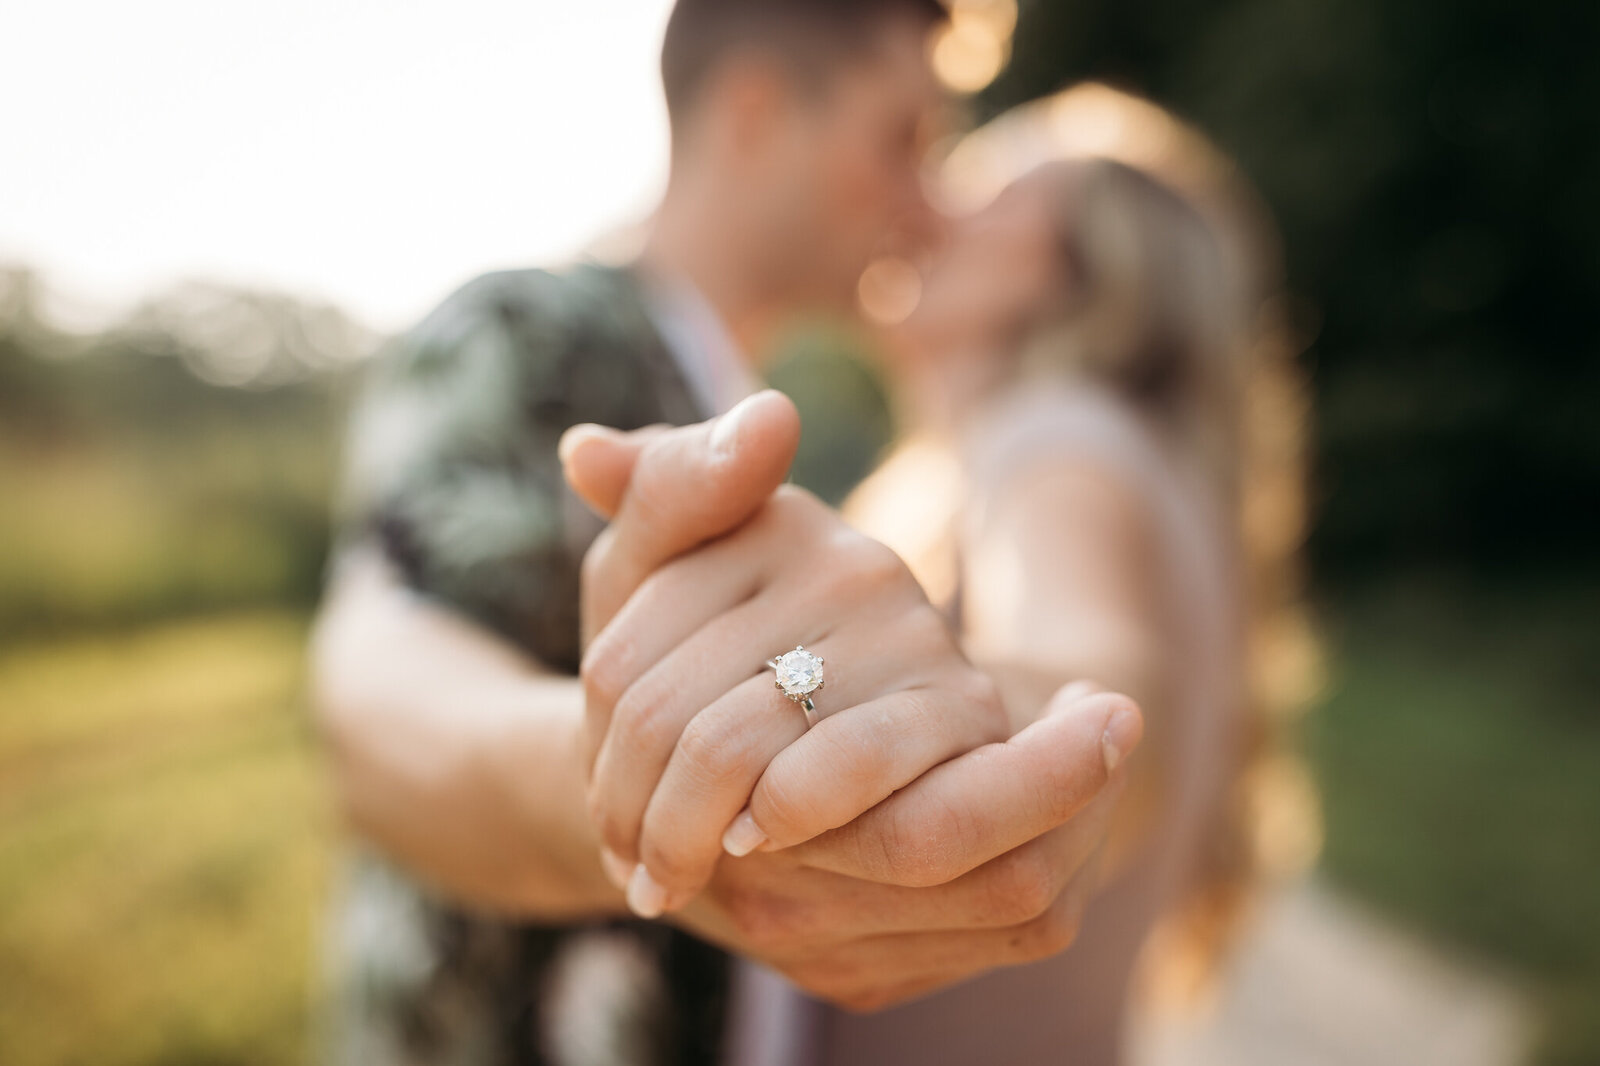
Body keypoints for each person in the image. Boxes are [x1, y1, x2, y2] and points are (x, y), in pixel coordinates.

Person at [311, 3, 1142, 1064]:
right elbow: (375, 700)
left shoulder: (760, 410)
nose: (930, 208)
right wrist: (656, 796)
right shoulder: (526, 333)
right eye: (903, 140)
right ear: (754, 111)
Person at [800, 89, 1312, 1064]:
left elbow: (1085, 664)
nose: (933, 209)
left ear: (1075, 273)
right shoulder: (1137, 459)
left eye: (987, 190)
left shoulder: (1054, 442)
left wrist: (803, 711)